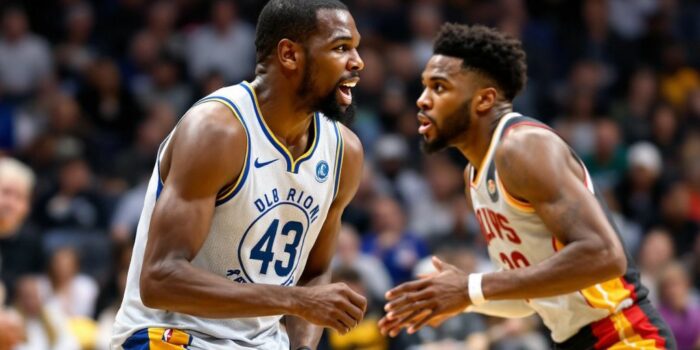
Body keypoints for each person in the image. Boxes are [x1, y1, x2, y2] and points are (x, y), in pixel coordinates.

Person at [378, 23, 676, 349]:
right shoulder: (474, 177)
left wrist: (471, 287)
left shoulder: (523, 147)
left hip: (623, 333)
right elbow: (529, 298)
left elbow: (605, 255)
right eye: (424, 87)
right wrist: (461, 297)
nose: (422, 100)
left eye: (439, 87)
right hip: (574, 341)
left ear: (484, 99)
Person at [111, 1, 367, 349]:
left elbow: (313, 273)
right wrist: (293, 300)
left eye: (356, 48)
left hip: (262, 342)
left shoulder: (344, 153)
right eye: (341, 48)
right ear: (290, 55)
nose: (358, 62)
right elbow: (159, 280)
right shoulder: (218, 130)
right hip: (172, 335)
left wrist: (304, 345)